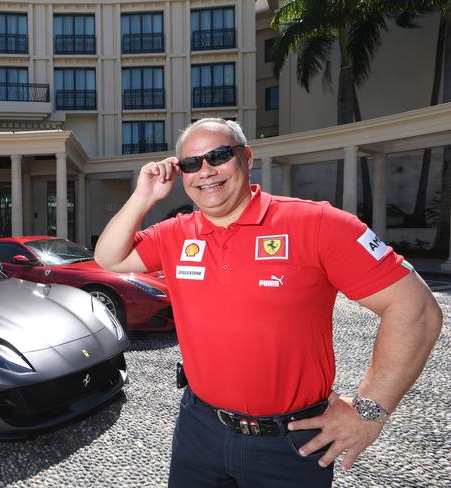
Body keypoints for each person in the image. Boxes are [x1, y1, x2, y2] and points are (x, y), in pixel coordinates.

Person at [94, 118, 442, 487]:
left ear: (247, 157)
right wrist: (143, 196)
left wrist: (369, 411)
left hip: (290, 442)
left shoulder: (318, 222)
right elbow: (110, 258)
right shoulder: (177, 233)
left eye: (219, 156)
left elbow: (415, 308)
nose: (205, 171)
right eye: (191, 164)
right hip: (199, 429)